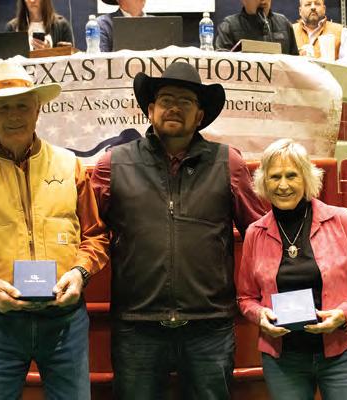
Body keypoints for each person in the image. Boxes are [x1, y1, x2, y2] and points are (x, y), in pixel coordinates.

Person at [0, 59, 109, 400]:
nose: (13, 115)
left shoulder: (69, 166)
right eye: (3, 107)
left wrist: (79, 273)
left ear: (37, 109)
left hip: (65, 321)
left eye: (22, 106)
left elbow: (95, 236)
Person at [91, 61, 266, 399]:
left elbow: (260, 234)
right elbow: (86, 234)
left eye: (185, 101)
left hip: (209, 326)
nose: (174, 107)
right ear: (150, 109)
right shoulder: (113, 163)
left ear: (200, 116)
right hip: (137, 325)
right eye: (166, 99)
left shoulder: (228, 162)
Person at [237, 139, 347, 399]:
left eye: (291, 175)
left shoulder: (341, 220)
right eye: (275, 177)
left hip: (341, 353)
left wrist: (344, 314)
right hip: (283, 360)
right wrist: (260, 316)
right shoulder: (255, 233)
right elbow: (246, 297)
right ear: (264, 182)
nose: (283, 185)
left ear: (306, 178)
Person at [216, 0, 299, 55]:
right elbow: (222, 66)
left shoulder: (284, 23)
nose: (263, 0)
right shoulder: (229, 26)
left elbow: (295, 61)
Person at [292, 0, 347, 67]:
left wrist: (326, 66)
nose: (313, 7)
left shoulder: (339, 30)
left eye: (317, 4)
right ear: (300, 11)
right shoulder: (291, 30)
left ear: (324, 9)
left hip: (330, 73)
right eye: (308, 4)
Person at [6, 0, 73, 50]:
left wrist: (50, 52)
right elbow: (7, 61)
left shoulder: (62, 26)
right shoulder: (12, 27)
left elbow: (71, 61)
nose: (32, 1)